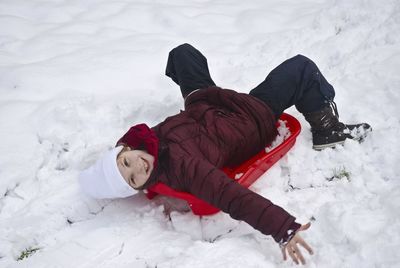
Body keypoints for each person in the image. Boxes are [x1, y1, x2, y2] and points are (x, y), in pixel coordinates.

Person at [79, 43, 371, 265]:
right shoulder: (184, 167)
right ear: (139, 186)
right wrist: (281, 227)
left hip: (207, 104)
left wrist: (201, 103)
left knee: (182, 53)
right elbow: (231, 196)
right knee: (301, 68)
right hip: (249, 120)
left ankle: (197, 87)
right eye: (133, 178)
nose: (138, 167)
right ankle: (327, 130)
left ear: (126, 149)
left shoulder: (146, 140)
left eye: (126, 162)